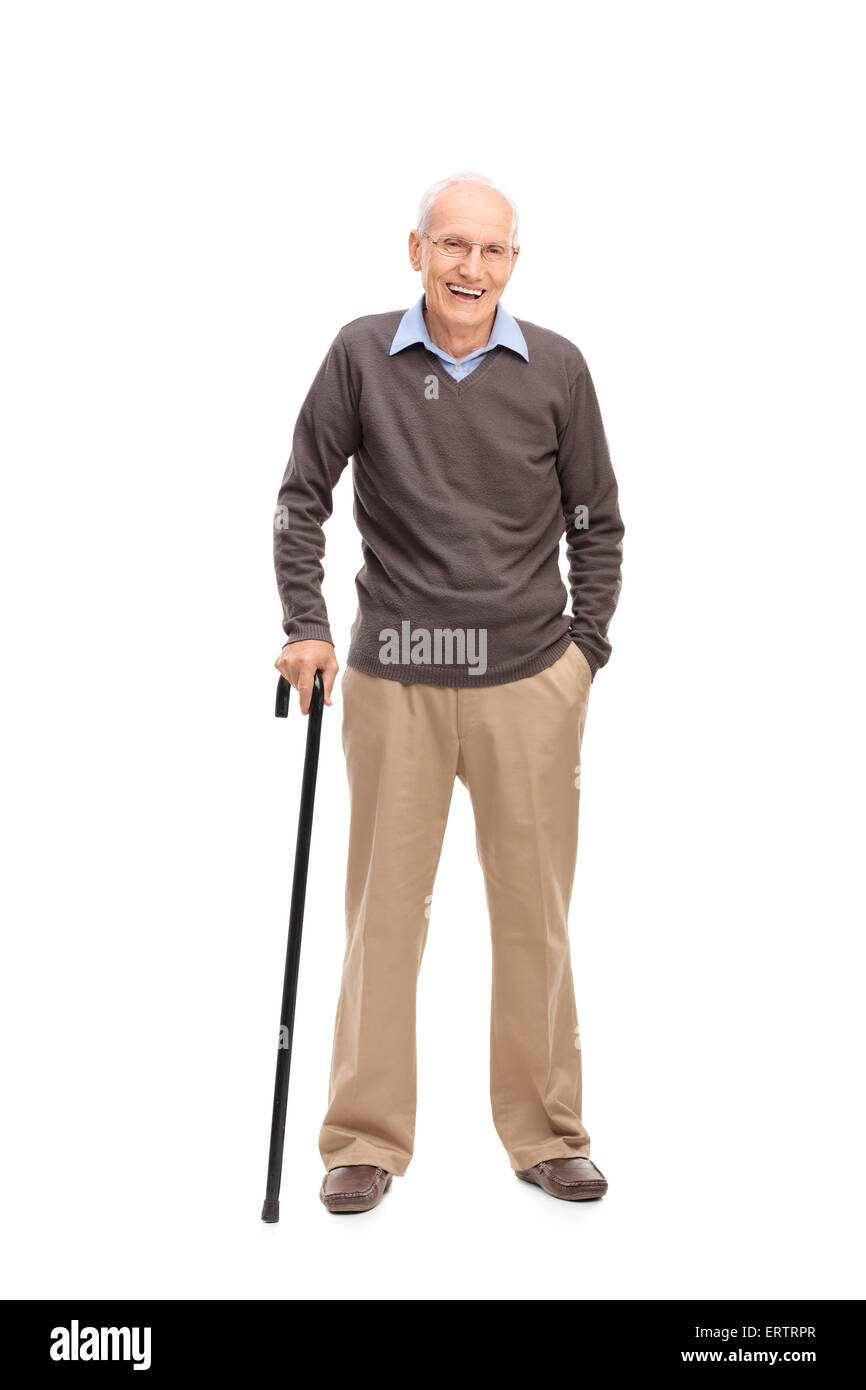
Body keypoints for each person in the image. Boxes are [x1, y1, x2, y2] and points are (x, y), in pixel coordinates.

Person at [273, 171, 624, 1213]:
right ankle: (363, 1139)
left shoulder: (556, 367)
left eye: (492, 250)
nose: (471, 267)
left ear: (513, 262)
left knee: (535, 918)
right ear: (415, 250)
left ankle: (546, 1134)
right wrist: (304, 622)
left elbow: (595, 519)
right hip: (394, 680)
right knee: (384, 915)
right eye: (452, 245)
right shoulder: (358, 354)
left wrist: (582, 654)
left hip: (527, 680)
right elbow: (301, 497)